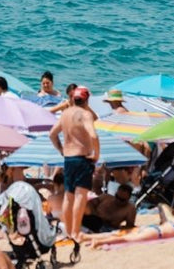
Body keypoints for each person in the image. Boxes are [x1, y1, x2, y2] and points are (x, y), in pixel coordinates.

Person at [49, 85, 99, 245]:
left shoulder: (65, 114)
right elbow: (93, 134)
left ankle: (68, 231)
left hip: (68, 159)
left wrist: (60, 149)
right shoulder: (85, 114)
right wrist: (96, 155)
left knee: (68, 197)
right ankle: (76, 232)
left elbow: (52, 134)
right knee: (80, 196)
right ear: (86, 99)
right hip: (83, 158)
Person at [87, 199, 174, 248]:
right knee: (128, 239)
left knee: (127, 236)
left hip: (156, 230)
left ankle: (94, 239)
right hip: (157, 233)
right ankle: (99, 242)